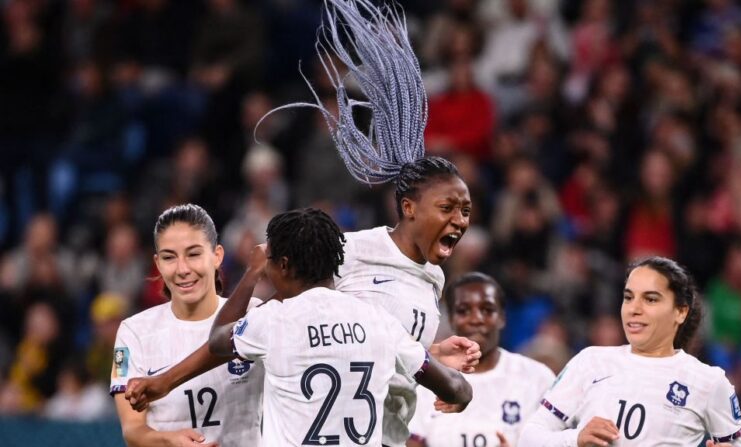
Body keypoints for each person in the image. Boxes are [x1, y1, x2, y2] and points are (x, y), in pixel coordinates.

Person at [260, 1, 480, 444]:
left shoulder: (433, 278)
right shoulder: (350, 250)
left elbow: (379, 351)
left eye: (466, 211)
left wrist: (431, 355)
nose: (460, 220)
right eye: (448, 208)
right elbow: (290, 320)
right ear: (409, 208)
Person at [125, 207, 474, 446]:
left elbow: (218, 340)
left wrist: (252, 273)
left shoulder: (273, 320)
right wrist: (455, 392)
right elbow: (455, 387)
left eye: (271, 260)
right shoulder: (379, 321)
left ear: (284, 265)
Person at [517, 256, 741, 447]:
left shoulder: (708, 381)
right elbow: (529, 437)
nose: (634, 309)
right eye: (628, 297)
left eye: (650, 299)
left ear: (680, 312)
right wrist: (576, 439)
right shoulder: (590, 362)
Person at [110, 204, 264, 447]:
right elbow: (132, 429)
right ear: (158, 263)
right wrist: (170, 441)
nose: (182, 269)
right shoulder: (133, 332)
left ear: (217, 256)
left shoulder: (254, 314)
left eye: (193, 254)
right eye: (169, 257)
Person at [408, 272, 556, 447]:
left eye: (487, 310)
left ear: (502, 317)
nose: (476, 319)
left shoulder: (537, 378)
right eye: (463, 311)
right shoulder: (428, 376)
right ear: (452, 319)